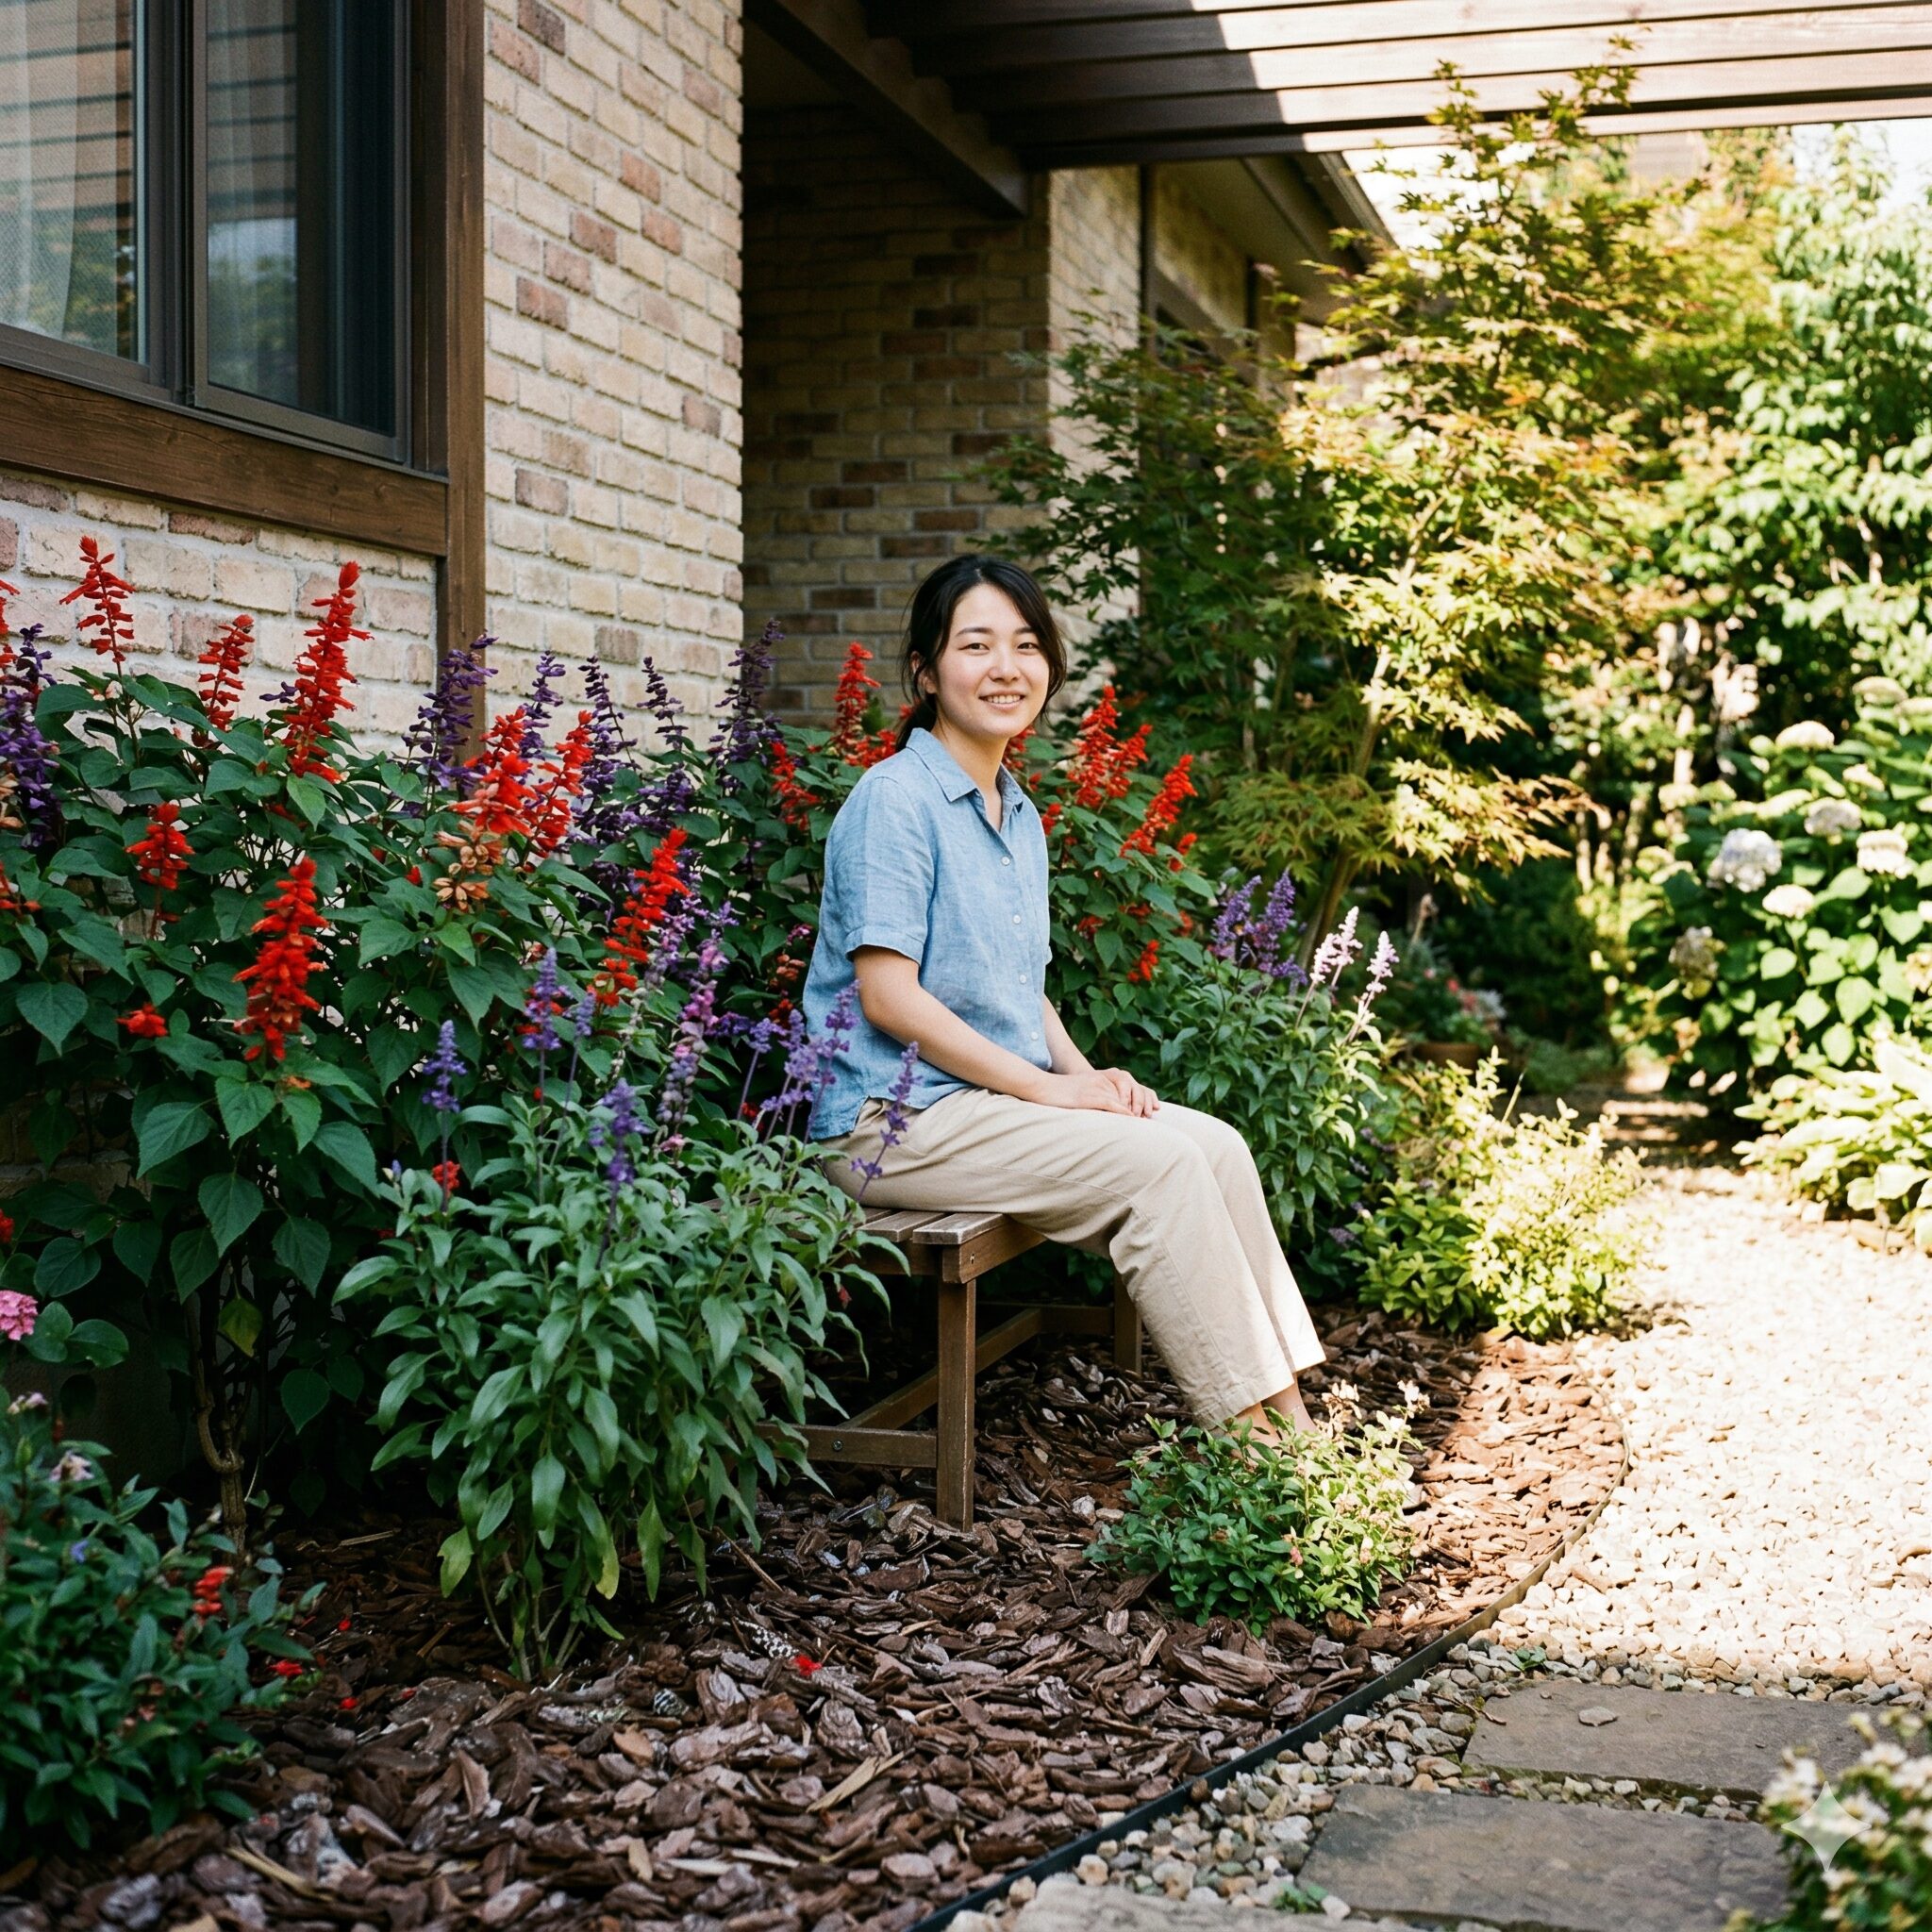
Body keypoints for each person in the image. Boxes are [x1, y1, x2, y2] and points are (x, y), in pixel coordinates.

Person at [800, 555, 1324, 1441]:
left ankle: (1300, 1425)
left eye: (1026, 644)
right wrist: (1049, 1090)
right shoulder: (895, 800)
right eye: (976, 645)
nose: (1007, 667)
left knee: (1217, 1147)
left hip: (981, 1109)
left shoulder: (1016, 811)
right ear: (927, 672)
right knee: (1159, 1168)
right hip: (892, 1126)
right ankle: (1262, 1467)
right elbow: (888, 997)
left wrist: (1090, 1077)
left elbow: (1019, 985)